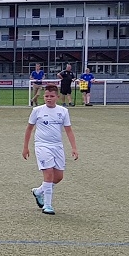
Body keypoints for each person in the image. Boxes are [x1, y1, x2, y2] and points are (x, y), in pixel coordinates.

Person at [23, 85, 79, 216]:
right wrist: (25, 147)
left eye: (52, 96)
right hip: (42, 145)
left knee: (58, 177)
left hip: (57, 146)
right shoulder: (37, 110)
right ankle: (47, 205)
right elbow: (29, 128)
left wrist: (74, 147)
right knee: (48, 173)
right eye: (46, 96)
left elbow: (69, 130)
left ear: (57, 97)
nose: (49, 98)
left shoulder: (63, 111)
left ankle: (38, 191)